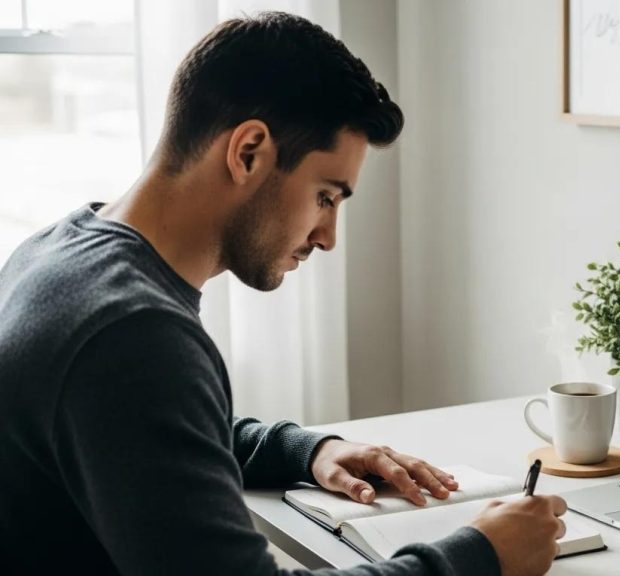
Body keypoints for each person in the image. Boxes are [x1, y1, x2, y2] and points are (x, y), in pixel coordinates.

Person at [0, 11, 566, 576]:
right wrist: (481, 556)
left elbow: (146, 435)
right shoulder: (131, 333)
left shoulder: (61, 251)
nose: (328, 237)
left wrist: (308, 451)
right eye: (326, 196)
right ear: (248, 151)